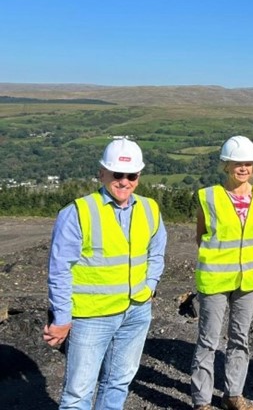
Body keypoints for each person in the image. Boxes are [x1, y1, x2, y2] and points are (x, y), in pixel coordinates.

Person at [43, 137, 167, 410]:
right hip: (91, 317)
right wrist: (61, 318)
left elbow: (156, 252)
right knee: (78, 394)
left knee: (118, 382)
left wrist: (150, 287)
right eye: (117, 174)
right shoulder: (78, 212)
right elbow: (59, 269)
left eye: (131, 175)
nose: (124, 181)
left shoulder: (149, 208)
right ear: (102, 173)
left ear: (139, 176)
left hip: (136, 312)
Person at [190, 136, 253, 410]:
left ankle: (233, 394)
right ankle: (202, 401)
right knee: (208, 340)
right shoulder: (209, 197)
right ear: (226, 165)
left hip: (247, 280)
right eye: (237, 163)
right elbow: (201, 235)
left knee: (240, 338)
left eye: (248, 163)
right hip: (214, 279)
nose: (243, 168)